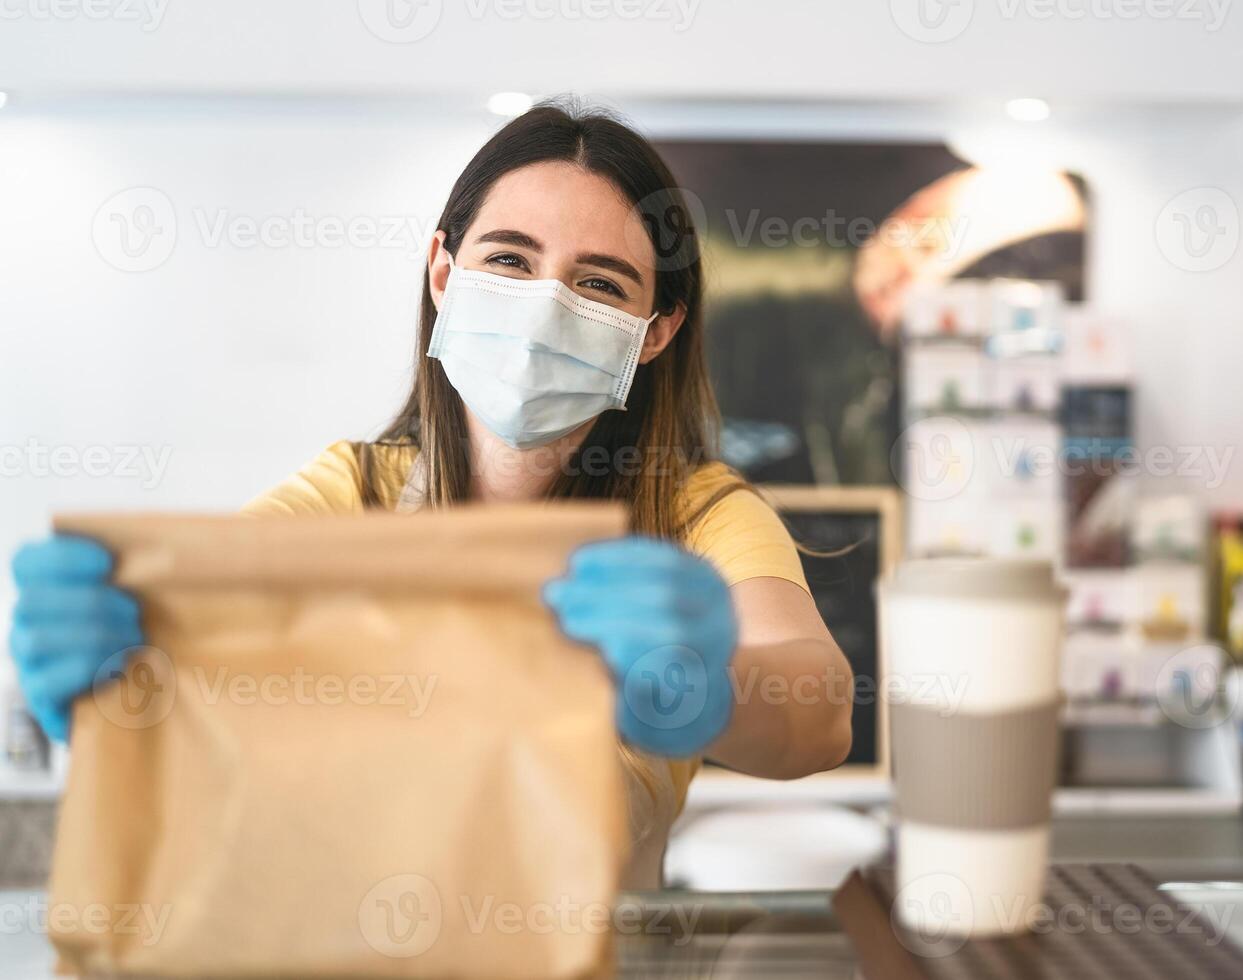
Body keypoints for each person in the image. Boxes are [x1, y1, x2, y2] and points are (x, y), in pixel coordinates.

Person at [8, 101, 854, 888]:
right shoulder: (350, 495)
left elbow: (816, 715)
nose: (542, 309)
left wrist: (706, 685)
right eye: (509, 261)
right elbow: (200, 645)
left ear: (655, 331)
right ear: (445, 274)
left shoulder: (698, 515)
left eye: (598, 285)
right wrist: (122, 668)